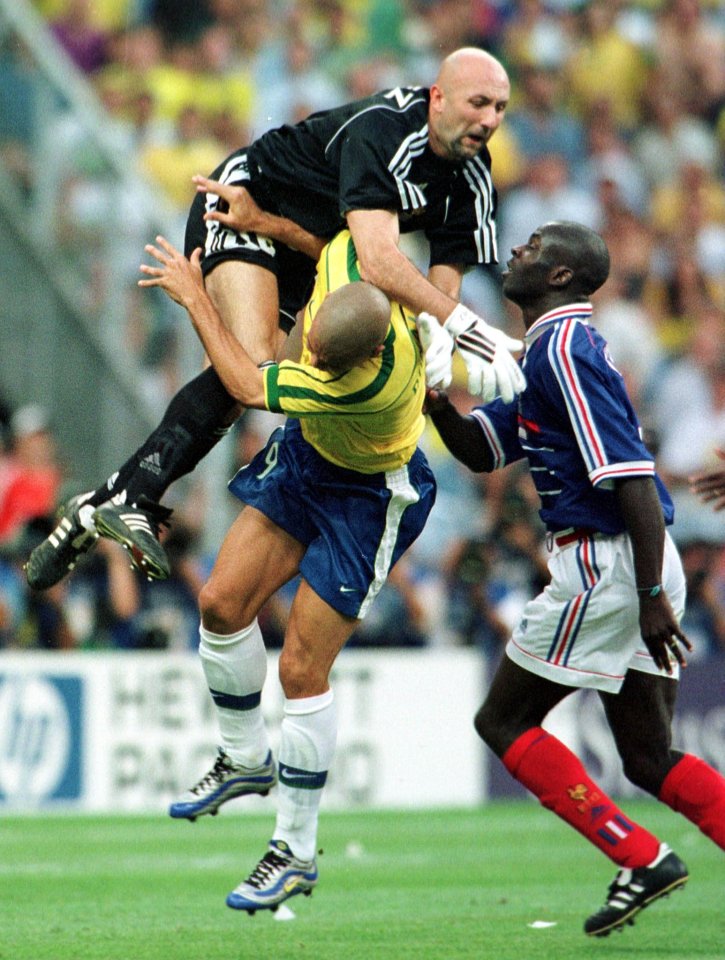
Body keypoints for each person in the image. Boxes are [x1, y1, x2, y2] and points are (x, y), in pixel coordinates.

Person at [25, 45, 525, 591]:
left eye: (500, 108)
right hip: (247, 206)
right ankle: (133, 494)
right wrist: (467, 326)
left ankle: (107, 499)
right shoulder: (385, 131)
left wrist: (436, 332)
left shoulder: (474, 177)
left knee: (256, 377)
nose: (490, 120)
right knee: (254, 364)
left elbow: (441, 280)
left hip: (307, 249)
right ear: (439, 96)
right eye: (479, 103)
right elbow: (380, 260)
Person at [425, 220, 725, 937]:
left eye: (533, 246)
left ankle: (638, 856)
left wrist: (650, 595)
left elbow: (630, 478)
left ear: (560, 276)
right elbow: (478, 451)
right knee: (649, 757)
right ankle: (643, 857)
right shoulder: (544, 353)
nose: (516, 251)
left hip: (610, 565)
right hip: (629, 568)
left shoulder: (563, 349)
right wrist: (438, 402)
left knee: (501, 719)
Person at [137, 225, 436, 913]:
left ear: (359, 356)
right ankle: (244, 757)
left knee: (301, 670)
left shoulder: (373, 383)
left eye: (325, 360)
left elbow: (245, 382)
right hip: (310, 459)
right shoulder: (347, 264)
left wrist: (195, 299)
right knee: (218, 602)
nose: (312, 358)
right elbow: (320, 238)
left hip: (370, 493)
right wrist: (260, 220)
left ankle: (294, 851)